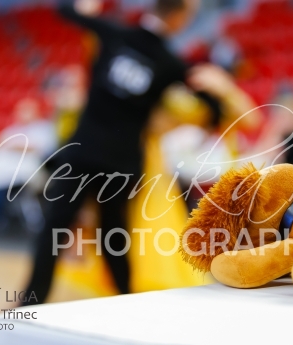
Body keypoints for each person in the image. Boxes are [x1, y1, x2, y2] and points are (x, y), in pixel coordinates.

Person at [22, 0, 202, 305]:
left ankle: (29, 305)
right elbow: (209, 101)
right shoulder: (170, 63)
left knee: (54, 229)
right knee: (113, 236)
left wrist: (86, 8)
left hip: (82, 152)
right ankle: (125, 305)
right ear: (178, 16)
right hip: (121, 162)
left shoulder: (114, 33)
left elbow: (64, 11)